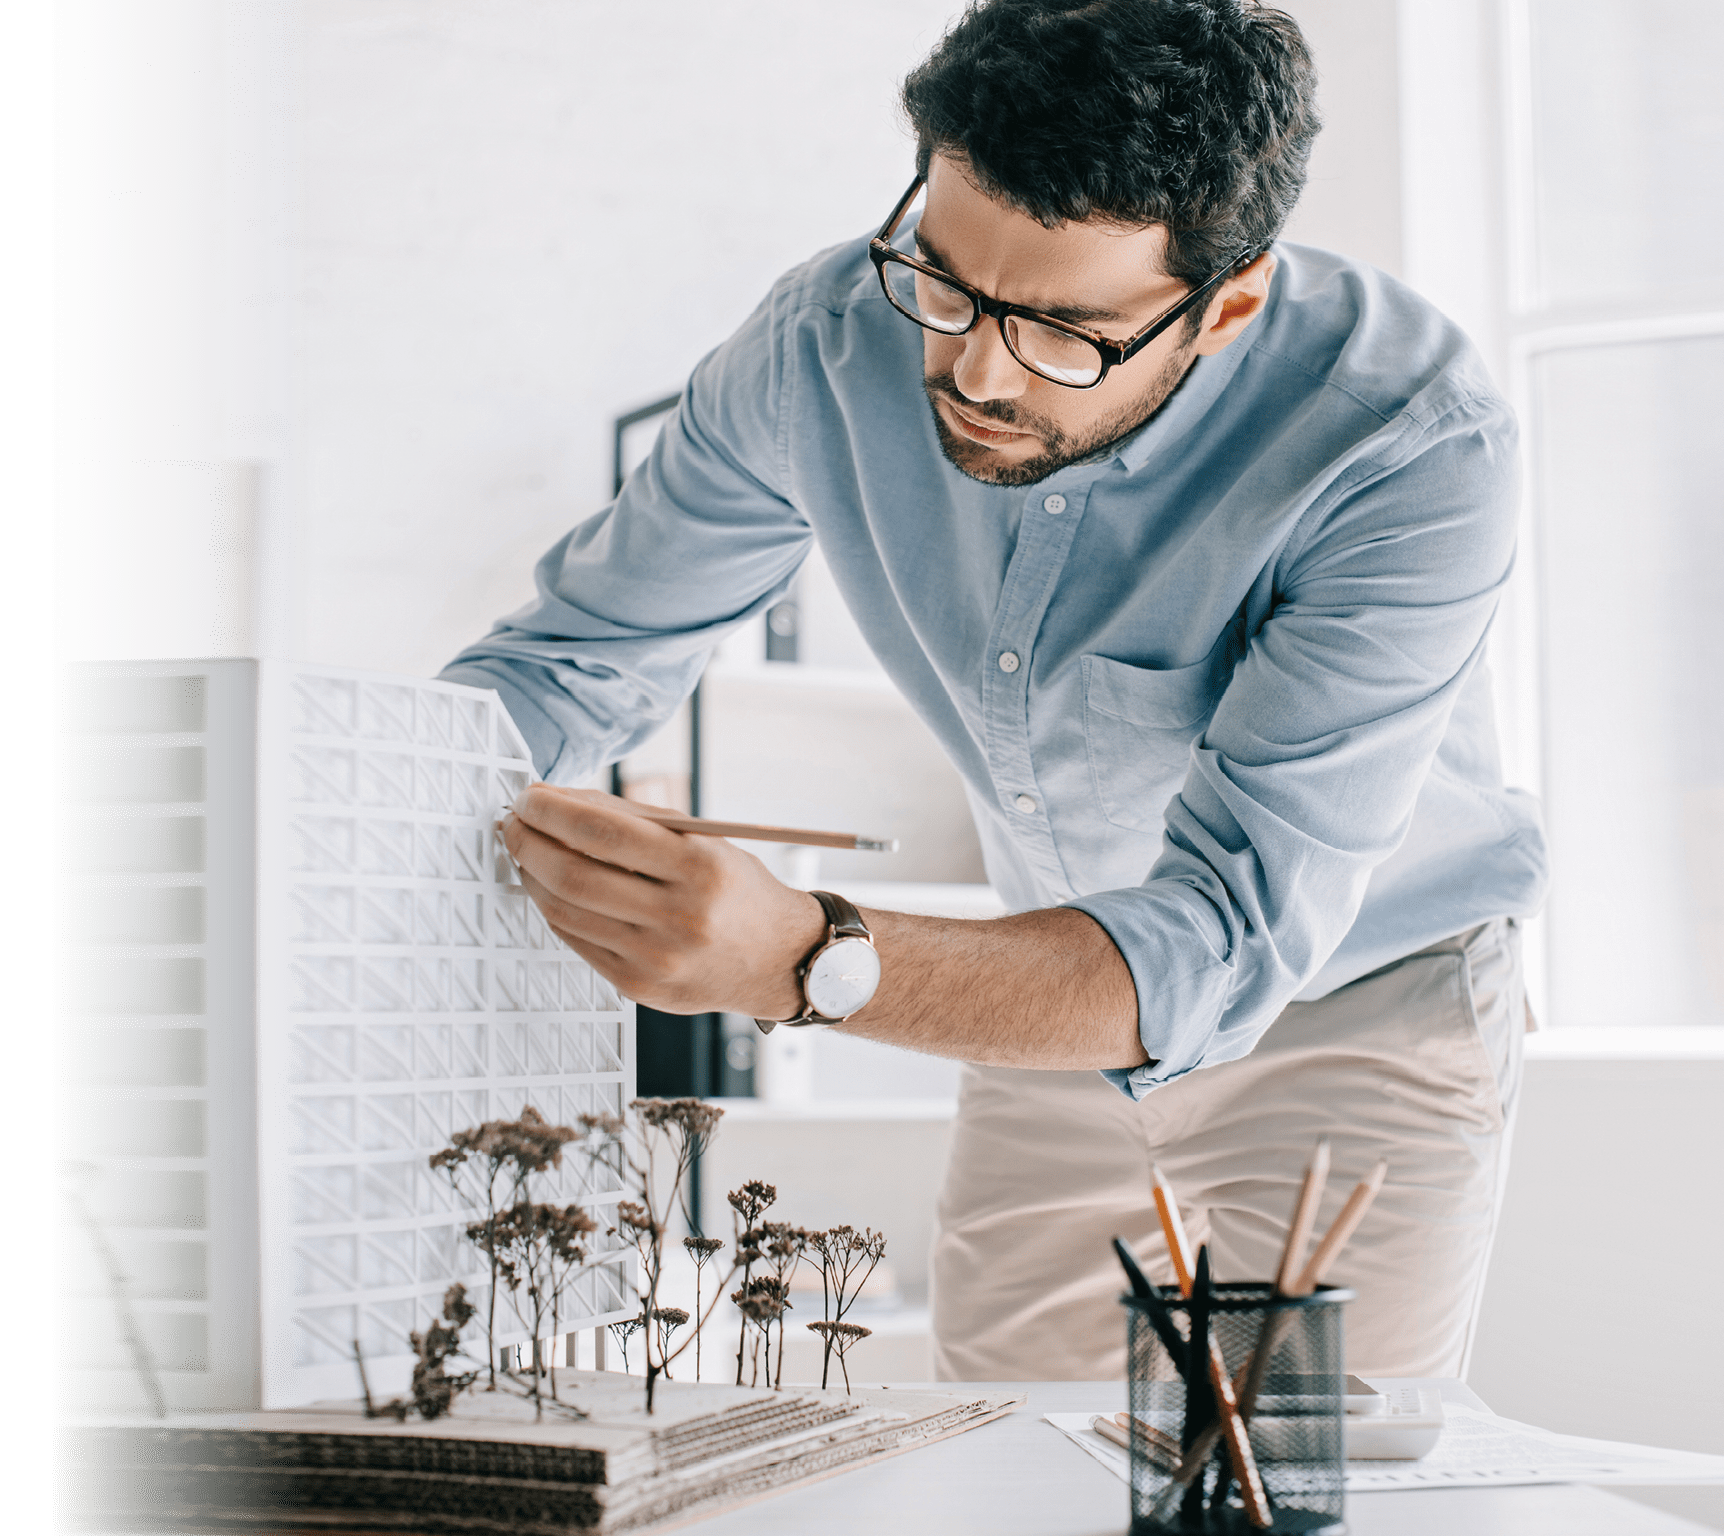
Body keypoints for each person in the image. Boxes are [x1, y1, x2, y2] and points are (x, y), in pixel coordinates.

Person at [442, 0, 1548, 1382]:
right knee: (1009, 1471)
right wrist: (343, 796)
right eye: (948, 282)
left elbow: (1223, 937)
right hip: (1052, 998)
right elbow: (567, 663)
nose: (973, 371)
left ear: (1231, 303)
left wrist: (801, 957)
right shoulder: (822, 346)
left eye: (1066, 333)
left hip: (1359, 1006)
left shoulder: (1407, 440)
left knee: (1302, 1482)